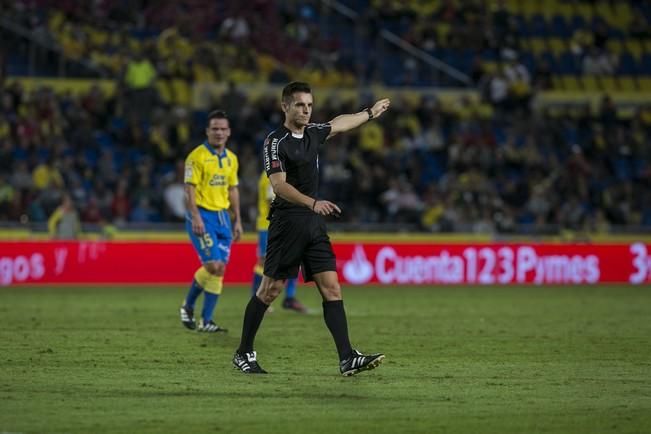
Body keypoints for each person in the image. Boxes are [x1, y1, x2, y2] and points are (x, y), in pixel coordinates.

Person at [232, 82, 390, 376]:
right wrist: (312, 203)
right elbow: (279, 186)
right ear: (285, 107)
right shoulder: (274, 142)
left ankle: (346, 357)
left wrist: (369, 113)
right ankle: (243, 353)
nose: (305, 110)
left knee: (332, 287)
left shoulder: (313, 133)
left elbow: (338, 124)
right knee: (270, 290)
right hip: (288, 220)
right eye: (300, 105)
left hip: (313, 223)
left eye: (309, 105)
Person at [179, 110, 243, 332]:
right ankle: (187, 305)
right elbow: (189, 189)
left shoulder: (232, 159)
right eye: (214, 128)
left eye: (223, 129)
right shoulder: (196, 157)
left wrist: (237, 220)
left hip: (223, 217)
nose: (219, 132)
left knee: (220, 269)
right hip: (202, 215)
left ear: (229, 132)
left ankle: (206, 321)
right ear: (207, 131)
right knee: (213, 265)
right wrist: (195, 216)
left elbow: (233, 189)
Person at [251, 170, 307, 313]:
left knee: (295, 258)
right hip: (268, 226)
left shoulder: (284, 174)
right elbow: (273, 201)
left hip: (284, 224)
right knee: (264, 261)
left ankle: (289, 298)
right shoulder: (269, 175)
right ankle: (256, 299)